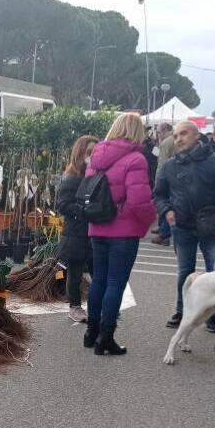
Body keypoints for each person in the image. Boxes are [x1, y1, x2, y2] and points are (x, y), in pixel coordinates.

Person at [153, 120, 215, 332]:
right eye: (175, 136)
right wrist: (167, 211)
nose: (178, 139)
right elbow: (159, 194)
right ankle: (182, 311)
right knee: (184, 272)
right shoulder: (169, 166)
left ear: (196, 136)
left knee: (214, 273)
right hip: (182, 226)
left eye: (183, 134)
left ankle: (211, 316)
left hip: (213, 226)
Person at [83, 113, 156, 355]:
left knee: (99, 281)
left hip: (97, 227)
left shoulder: (96, 156)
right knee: (116, 283)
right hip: (123, 231)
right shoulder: (136, 159)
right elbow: (139, 200)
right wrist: (148, 222)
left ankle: (91, 332)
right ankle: (106, 337)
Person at [56, 135, 98, 322]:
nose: (92, 156)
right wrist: (84, 211)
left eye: (96, 152)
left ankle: (98, 305)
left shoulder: (96, 176)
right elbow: (63, 205)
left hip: (94, 233)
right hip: (76, 234)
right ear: (80, 153)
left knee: (97, 271)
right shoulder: (72, 178)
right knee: (75, 273)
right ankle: (74, 306)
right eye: (89, 152)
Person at [151, 123, 175, 244]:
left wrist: (158, 180)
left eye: (159, 132)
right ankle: (163, 230)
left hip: (167, 179)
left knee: (166, 205)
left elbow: (163, 164)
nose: (157, 135)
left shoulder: (167, 142)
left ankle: (164, 234)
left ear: (165, 130)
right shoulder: (172, 139)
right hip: (174, 177)